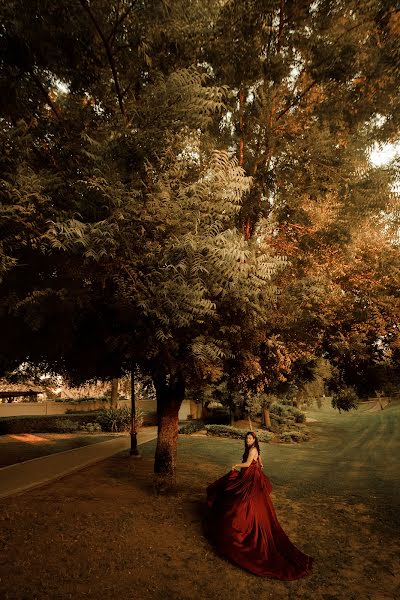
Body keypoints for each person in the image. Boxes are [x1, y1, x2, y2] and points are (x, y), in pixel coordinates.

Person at [206, 431, 313, 580]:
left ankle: (243, 522)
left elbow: (248, 464)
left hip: (250, 479)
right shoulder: (255, 449)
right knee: (240, 497)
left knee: (244, 501)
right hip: (249, 476)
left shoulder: (253, 449)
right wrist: (260, 463)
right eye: (247, 438)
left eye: (250, 438)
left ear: (254, 439)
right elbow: (260, 461)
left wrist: (236, 464)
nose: (248, 440)